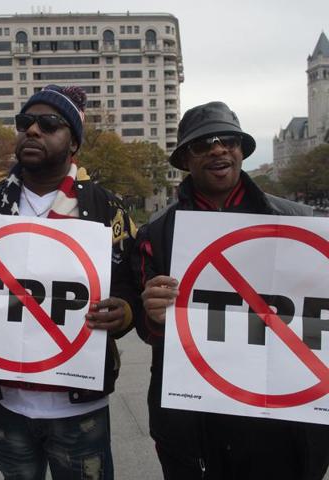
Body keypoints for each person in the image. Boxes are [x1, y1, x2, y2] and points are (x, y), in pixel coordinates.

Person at [0, 85, 139, 479]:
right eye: (25, 122)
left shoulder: (105, 207)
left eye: (49, 124)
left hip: (81, 408)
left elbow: (130, 287)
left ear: (73, 141)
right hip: (6, 403)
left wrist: (124, 312)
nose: (33, 131)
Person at [132, 101, 329, 480]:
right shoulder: (155, 234)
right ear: (185, 159)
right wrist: (151, 314)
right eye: (202, 144)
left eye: (228, 140)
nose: (218, 148)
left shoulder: (302, 224)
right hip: (196, 420)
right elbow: (147, 329)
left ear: (241, 150)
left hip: (283, 422)